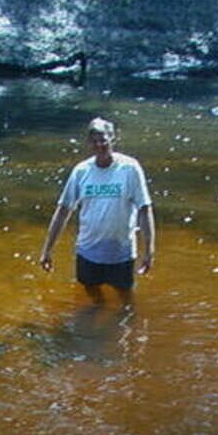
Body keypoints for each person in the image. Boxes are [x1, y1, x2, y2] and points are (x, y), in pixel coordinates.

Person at [38, 117, 156, 305]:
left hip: (121, 253)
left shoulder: (130, 168)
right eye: (94, 141)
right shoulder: (81, 171)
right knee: (91, 302)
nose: (99, 145)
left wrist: (149, 250)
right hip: (88, 253)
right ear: (88, 143)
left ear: (113, 139)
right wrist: (47, 250)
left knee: (125, 304)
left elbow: (144, 208)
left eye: (103, 140)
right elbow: (63, 210)